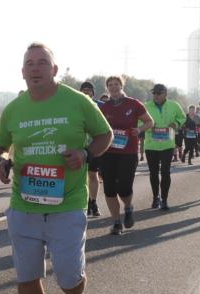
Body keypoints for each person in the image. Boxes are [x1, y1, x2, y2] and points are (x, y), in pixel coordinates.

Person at [0, 43, 112, 294]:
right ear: (22, 71)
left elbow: (105, 134)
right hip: (24, 204)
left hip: (67, 205)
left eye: (42, 62)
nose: (35, 68)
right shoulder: (15, 109)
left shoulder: (78, 101)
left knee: (69, 277)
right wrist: (2, 161)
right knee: (27, 276)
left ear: (54, 69)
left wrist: (85, 153)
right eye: (29, 63)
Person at [98, 76, 152, 235]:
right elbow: (96, 126)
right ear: (107, 88)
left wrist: (140, 130)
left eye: (116, 84)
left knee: (124, 187)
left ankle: (128, 207)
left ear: (122, 86)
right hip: (108, 152)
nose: (113, 87)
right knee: (109, 189)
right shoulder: (104, 107)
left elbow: (149, 122)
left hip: (128, 152)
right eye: (110, 85)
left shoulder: (134, 104)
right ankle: (116, 223)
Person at [142, 83, 185, 211]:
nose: (156, 95)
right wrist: (149, 126)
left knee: (165, 172)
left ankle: (164, 199)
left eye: (159, 93)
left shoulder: (174, 105)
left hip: (167, 144)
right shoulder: (146, 106)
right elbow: (139, 121)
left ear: (165, 94)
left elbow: (182, 117)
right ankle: (156, 197)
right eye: (154, 93)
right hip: (151, 145)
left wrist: (176, 123)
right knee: (153, 173)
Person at [79, 81, 104, 217]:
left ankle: (93, 202)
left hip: (95, 145)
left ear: (93, 92)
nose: (86, 92)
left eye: (88, 90)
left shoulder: (101, 105)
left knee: (93, 174)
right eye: (83, 90)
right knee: (81, 176)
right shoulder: (75, 104)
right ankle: (83, 202)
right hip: (78, 145)